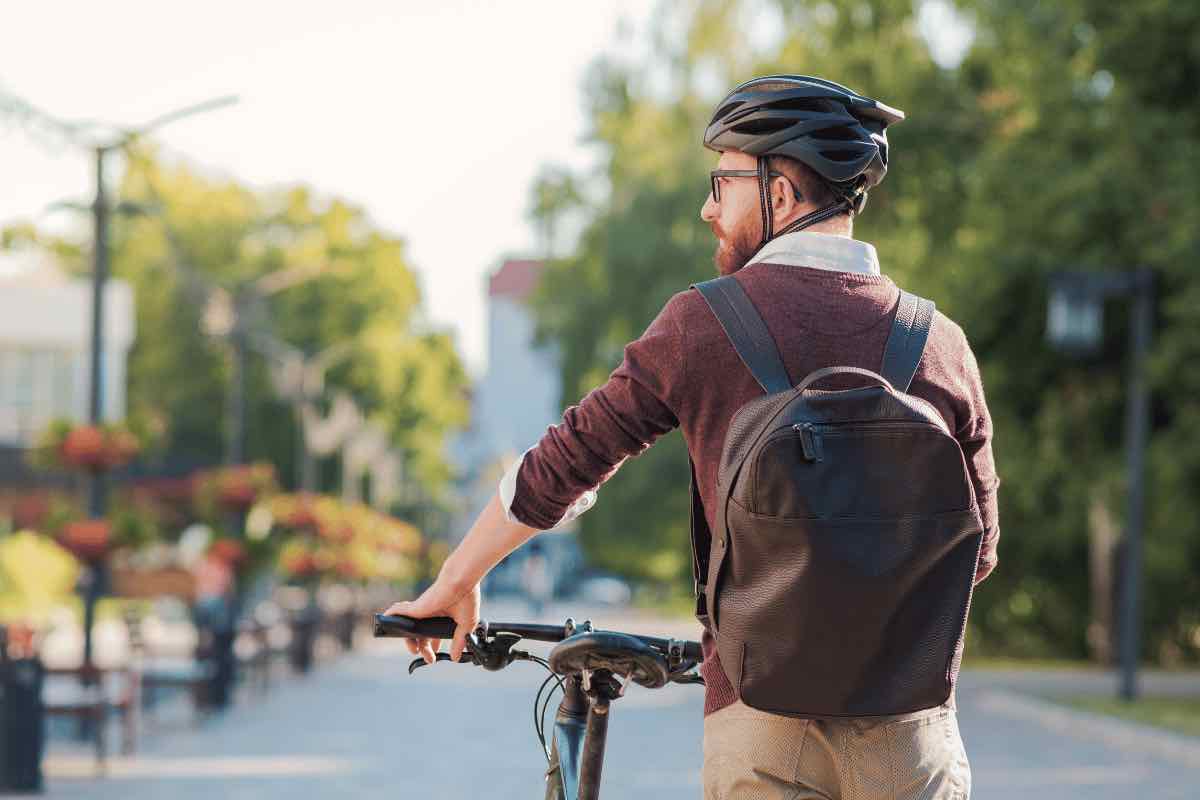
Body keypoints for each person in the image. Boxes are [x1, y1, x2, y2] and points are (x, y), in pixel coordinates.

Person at [386, 75, 999, 799]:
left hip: (763, 728)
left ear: (779, 195)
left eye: (724, 181)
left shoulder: (703, 325)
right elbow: (979, 550)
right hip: (914, 737)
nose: (709, 206)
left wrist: (456, 580)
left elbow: (565, 466)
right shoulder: (939, 343)